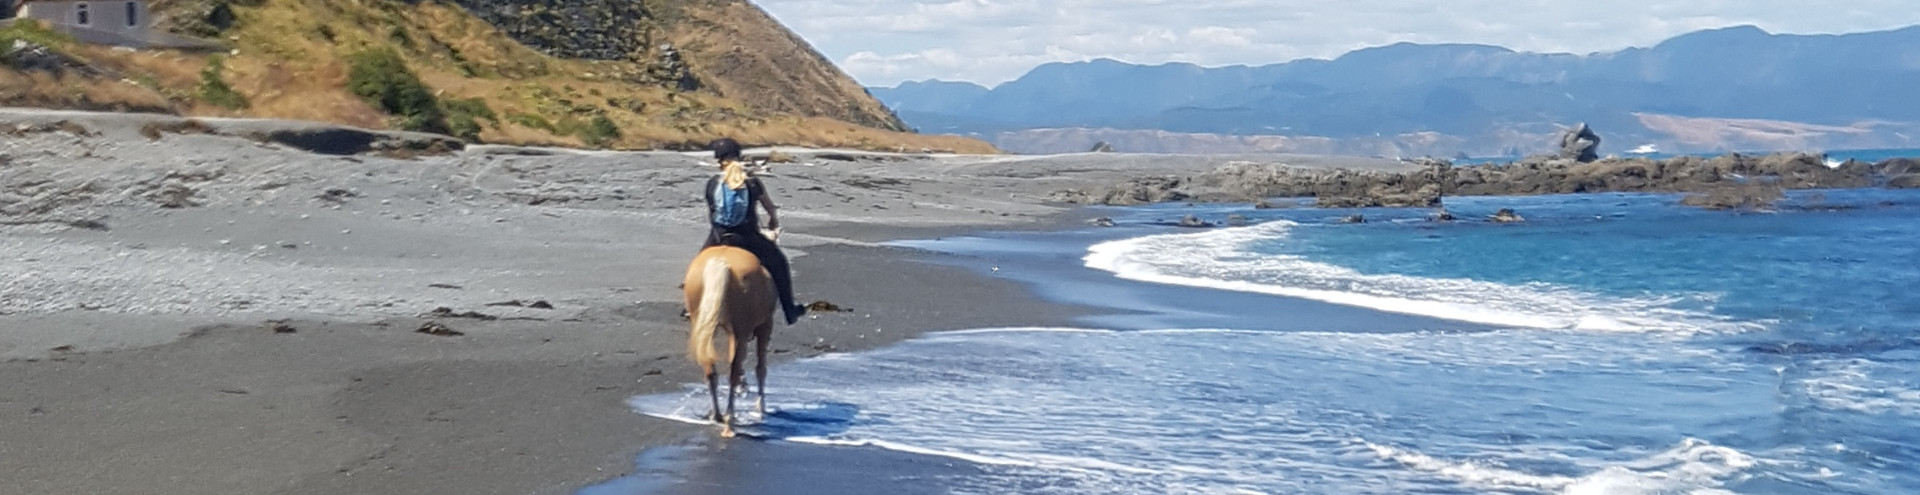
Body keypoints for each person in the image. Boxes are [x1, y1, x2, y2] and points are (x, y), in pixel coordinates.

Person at [702, 138, 807, 324]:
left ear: (719, 159)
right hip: (747, 238)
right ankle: (790, 310)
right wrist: (773, 219)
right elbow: (770, 209)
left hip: (718, 237)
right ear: (739, 156)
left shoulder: (712, 183)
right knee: (780, 263)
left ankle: (688, 308)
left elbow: (712, 212)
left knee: (698, 264)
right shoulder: (752, 182)